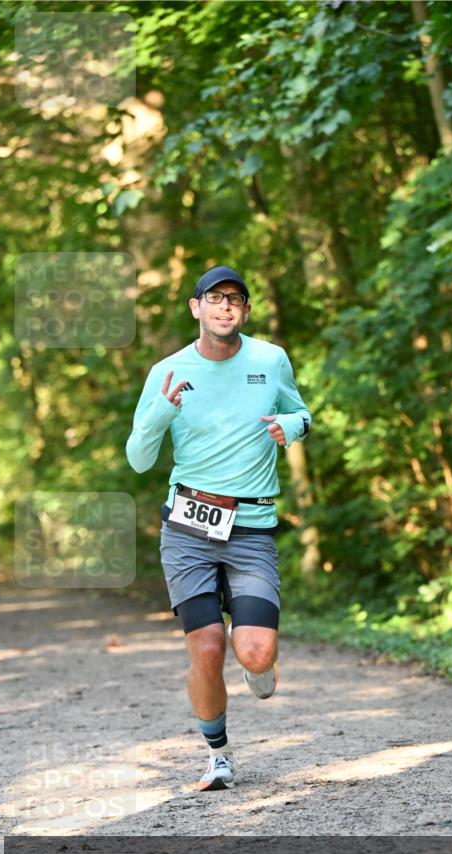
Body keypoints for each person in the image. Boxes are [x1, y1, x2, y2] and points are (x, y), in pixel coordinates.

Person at [126, 265, 311, 791]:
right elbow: (138, 458)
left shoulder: (270, 360)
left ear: (245, 311)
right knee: (207, 648)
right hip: (188, 527)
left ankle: (259, 658)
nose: (225, 306)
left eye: (235, 298)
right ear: (196, 308)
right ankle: (218, 755)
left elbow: (302, 414)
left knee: (255, 653)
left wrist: (290, 425)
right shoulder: (168, 371)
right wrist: (162, 412)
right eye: (215, 297)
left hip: (251, 527)